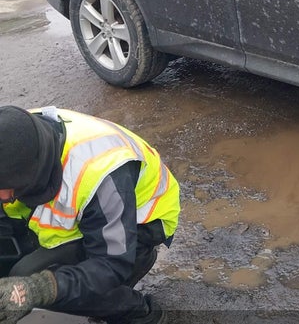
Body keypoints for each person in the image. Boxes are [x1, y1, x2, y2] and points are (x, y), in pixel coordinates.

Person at [0, 105, 180, 324]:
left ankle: (141, 314)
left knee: (39, 281)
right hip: (93, 212)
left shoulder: (98, 175)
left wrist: (39, 288)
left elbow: (110, 265)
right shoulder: (15, 136)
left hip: (141, 222)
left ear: (27, 176)